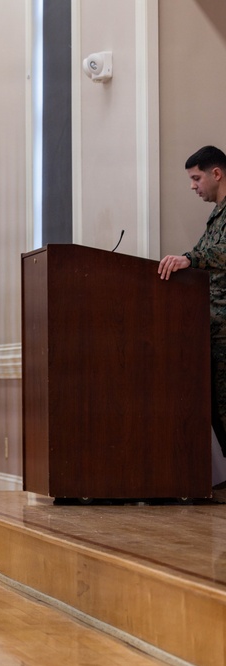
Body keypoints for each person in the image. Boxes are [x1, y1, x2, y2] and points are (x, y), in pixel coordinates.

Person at [158, 145, 226, 503]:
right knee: (216, 407)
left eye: (196, 177)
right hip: (213, 328)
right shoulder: (217, 216)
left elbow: (214, 254)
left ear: (217, 173)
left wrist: (188, 258)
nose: (192, 186)